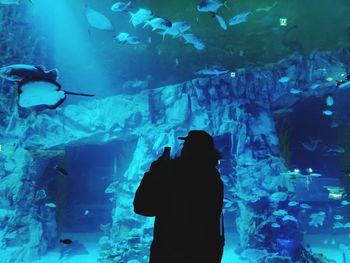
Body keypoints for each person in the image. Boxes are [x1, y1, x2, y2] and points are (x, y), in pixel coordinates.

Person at [133, 130, 224, 263]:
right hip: (204, 253)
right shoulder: (213, 178)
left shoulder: (171, 175)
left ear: (188, 149)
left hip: (169, 252)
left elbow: (143, 207)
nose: (182, 148)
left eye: (185, 145)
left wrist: (153, 175)